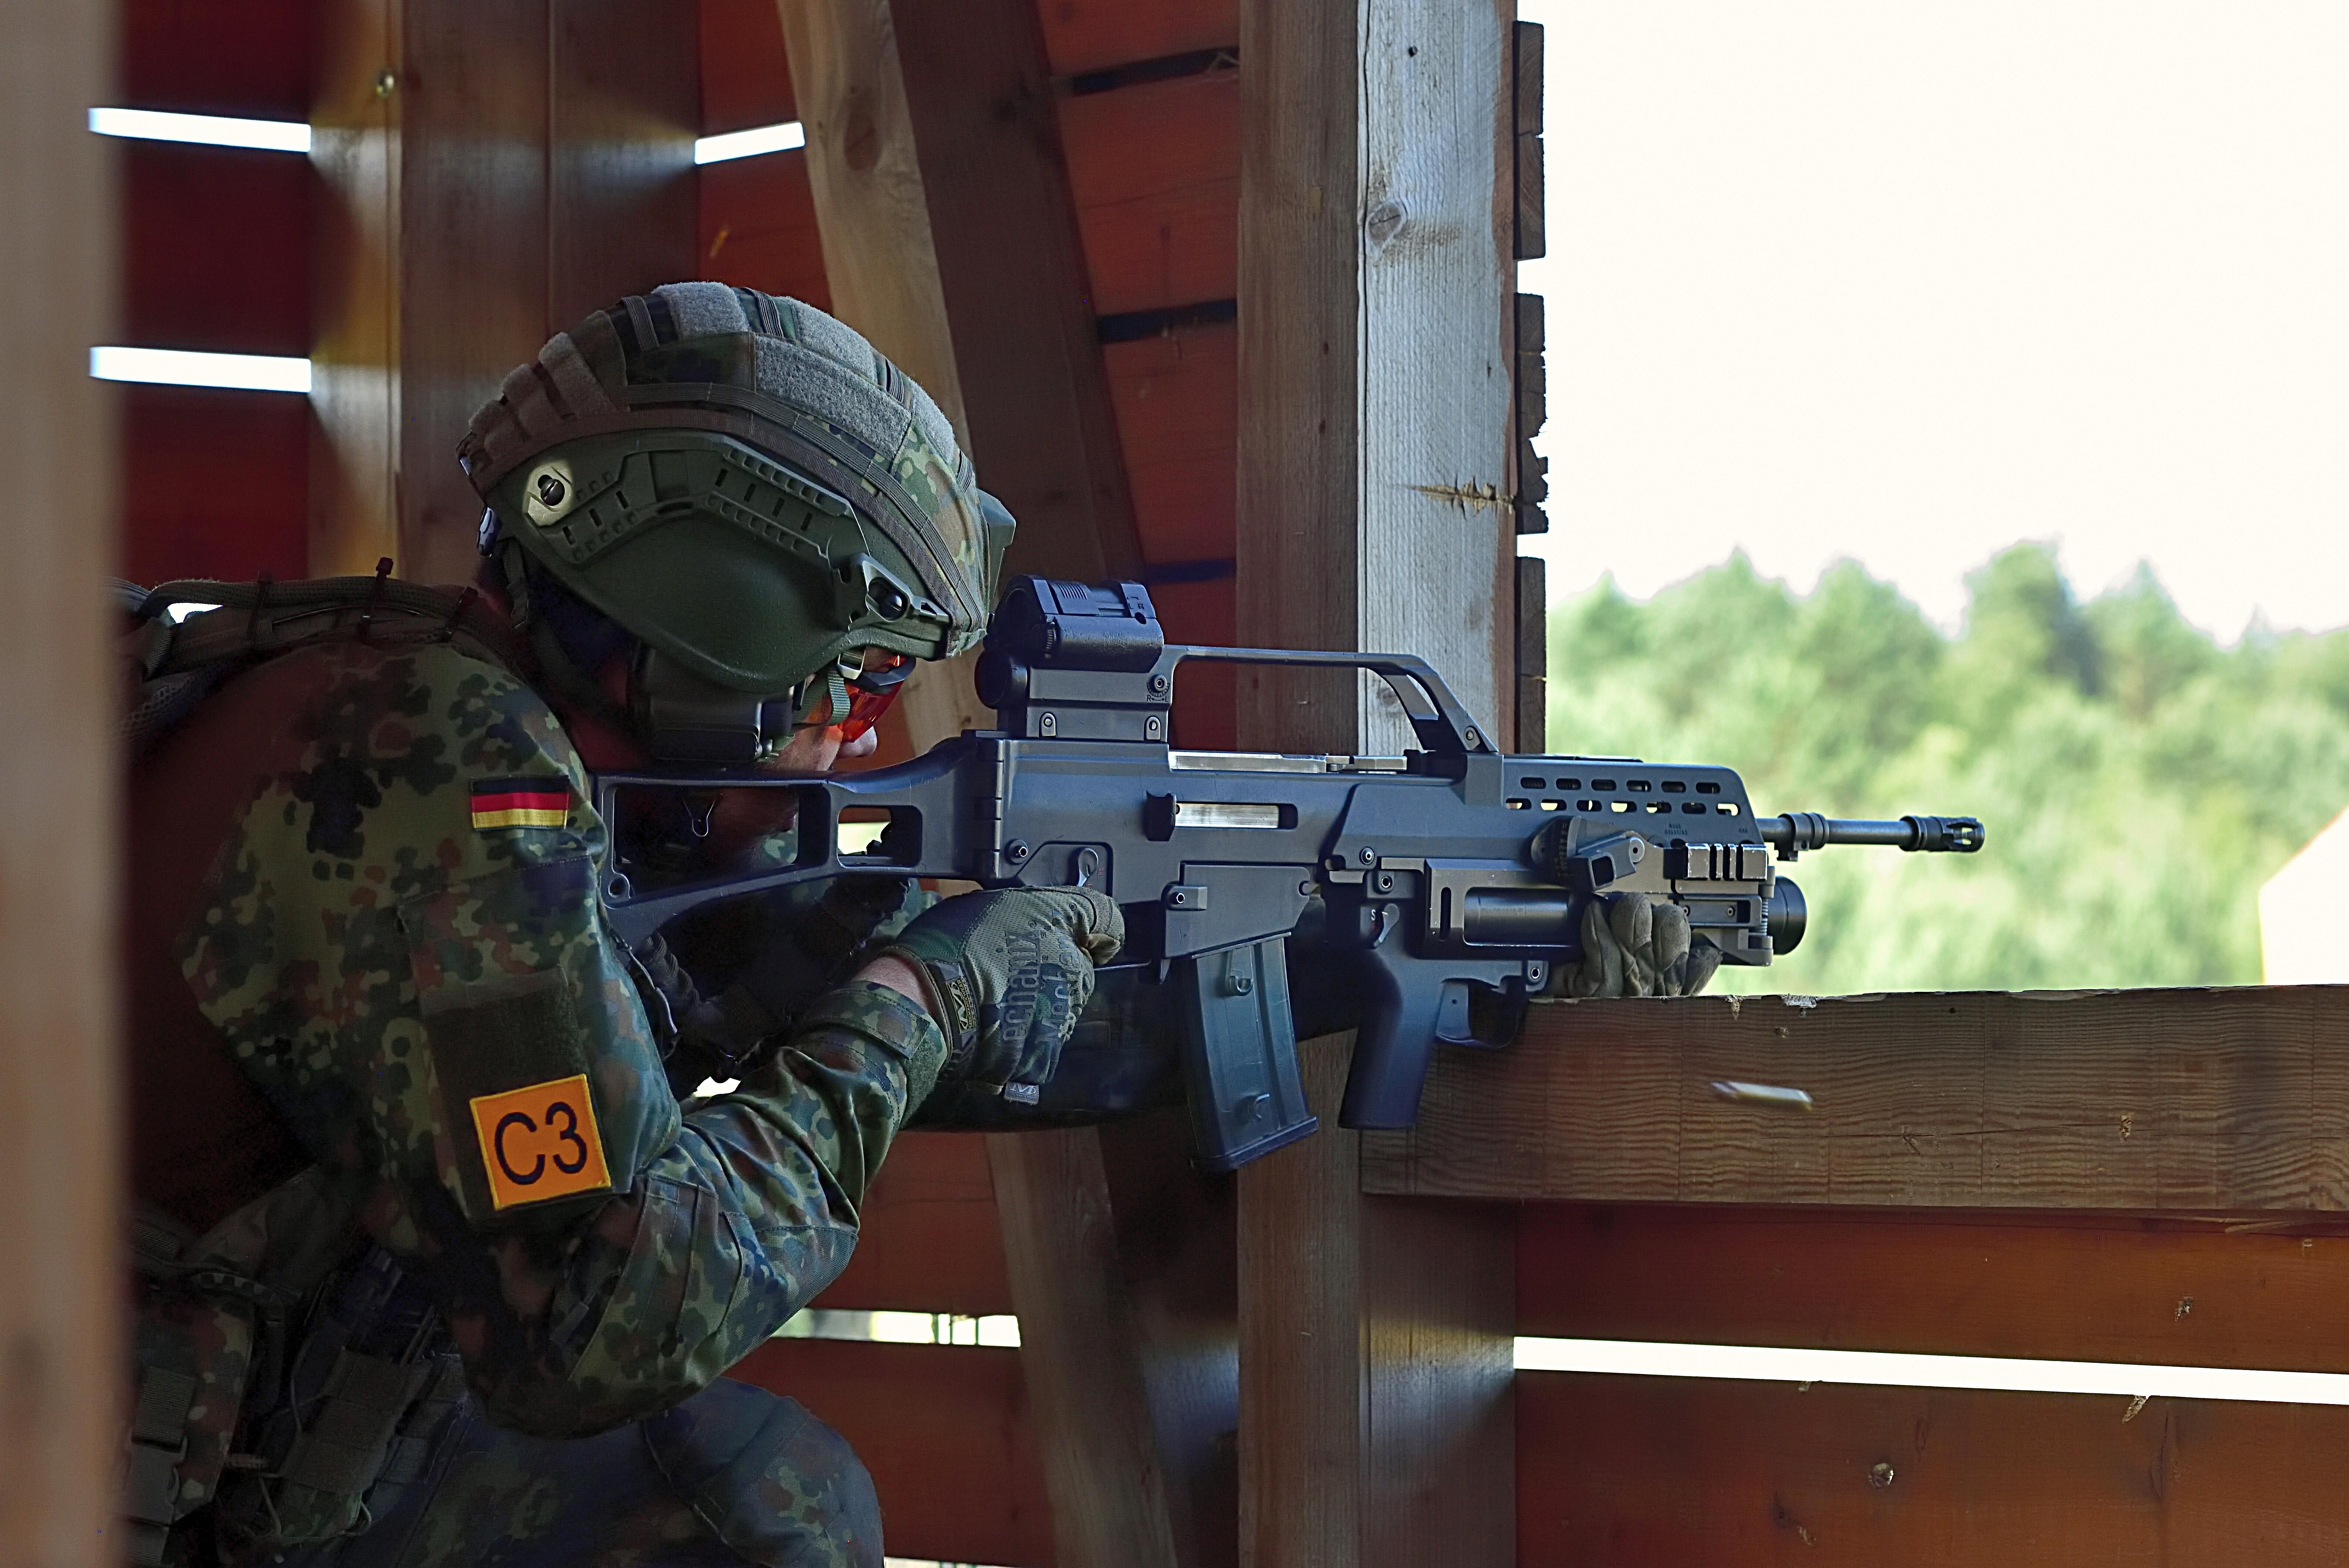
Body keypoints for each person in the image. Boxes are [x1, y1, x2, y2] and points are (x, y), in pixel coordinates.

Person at [120, 283, 1120, 1567]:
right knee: (761, 1518)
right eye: (865, 680)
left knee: (746, 1493)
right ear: (719, 631)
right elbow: (601, 1323)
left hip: (226, 1433)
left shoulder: (416, 696)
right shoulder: (441, 768)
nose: (865, 737)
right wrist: (921, 1002)